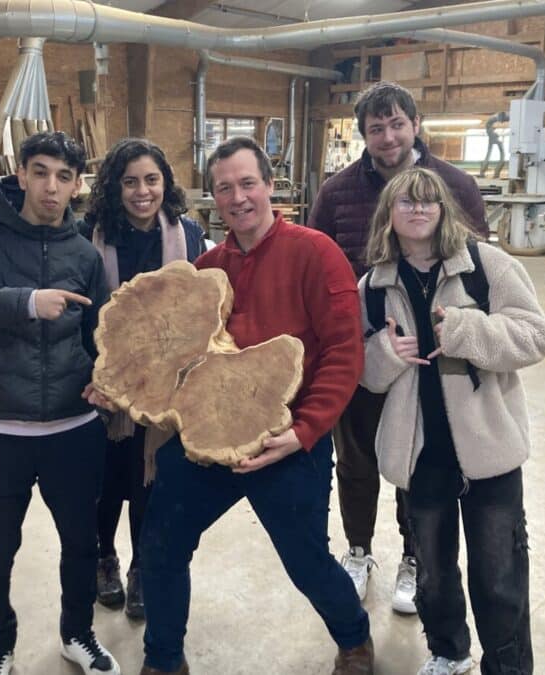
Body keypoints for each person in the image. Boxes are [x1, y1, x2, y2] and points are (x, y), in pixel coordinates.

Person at [131, 137, 373, 675]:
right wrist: (130, 386)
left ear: (269, 186)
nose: (238, 197)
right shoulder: (207, 268)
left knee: (305, 559)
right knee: (161, 545)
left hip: (287, 441)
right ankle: (163, 660)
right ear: (212, 198)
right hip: (207, 439)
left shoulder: (315, 253)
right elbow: (182, 356)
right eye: (224, 188)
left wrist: (306, 431)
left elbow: (343, 353)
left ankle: (355, 638)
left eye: (247, 183)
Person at [0, 131, 121, 675]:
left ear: (77, 185)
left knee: (81, 547)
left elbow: (100, 338)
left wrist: (106, 384)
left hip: (73, 428)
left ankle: (77, 634)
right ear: (21, 175)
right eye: (40, 172)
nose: (51, 187)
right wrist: (25, 302)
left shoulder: (85, 256)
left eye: (64, 176)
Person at [359, 167, 545, 675]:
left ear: (443, 209)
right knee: (433, 573)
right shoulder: (374, 285)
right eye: (406, 202)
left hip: (488, 451)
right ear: (389, 214)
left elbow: (535, 337)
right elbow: (364, 374)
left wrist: (468, 330)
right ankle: (448, 651)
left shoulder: (487, 267)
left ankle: (507, 666)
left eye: (427, 201)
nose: (418, 210)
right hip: (420, 455)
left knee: (500, 574)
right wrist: (385, 351)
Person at [308, 81, 488, 612]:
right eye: (375, 128)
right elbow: (315, 264)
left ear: (415, 124)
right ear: (362, 134)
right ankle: (359, 551)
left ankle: (416, 557)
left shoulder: (454, 184)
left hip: (430, 355)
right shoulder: (336, 192)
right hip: (358, 352)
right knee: (357, 459)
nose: (387, 137)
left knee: (420, 458)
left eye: (396, 124)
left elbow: (475, 269)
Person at [80, 137, 208, 621]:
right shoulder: (87, 235)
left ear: (165, 184)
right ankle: (104, 558)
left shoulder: (189, 236)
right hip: (104, 384)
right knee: (105, 484)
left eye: (151, 180)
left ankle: (140, 570)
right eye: (129, 181)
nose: (141, 191)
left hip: (163, 387)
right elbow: (80, 312)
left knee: (149, 482)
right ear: (113, 186)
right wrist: (97, 375)